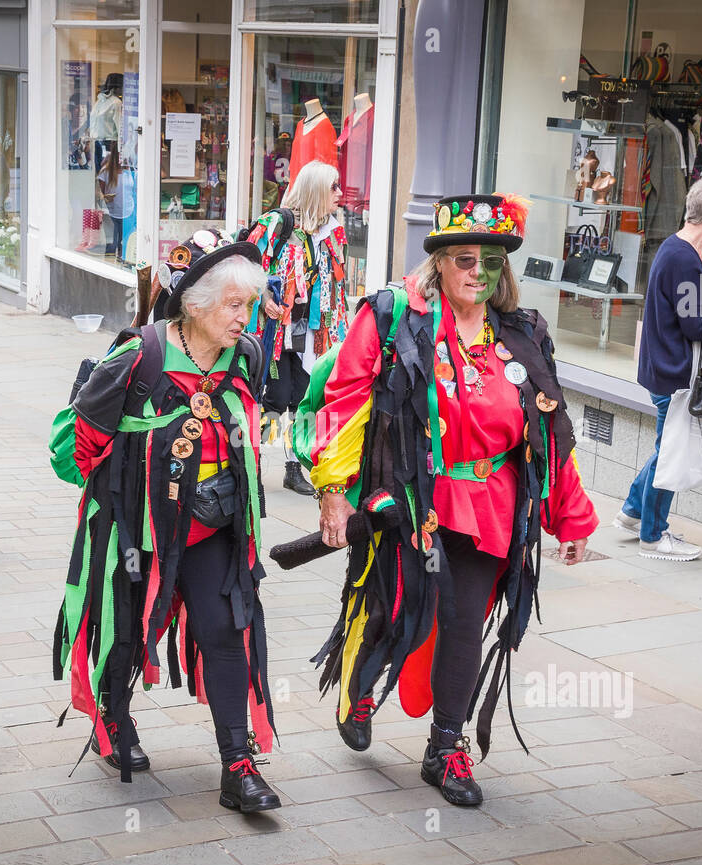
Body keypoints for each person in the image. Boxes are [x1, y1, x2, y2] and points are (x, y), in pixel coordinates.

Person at [306, 194, 599, 806]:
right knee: (398, 606)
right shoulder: (395, 319)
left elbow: (550, 434)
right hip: (409, 496)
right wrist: (333, 490)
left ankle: (445, 748)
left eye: (491, 261)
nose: (478, 272)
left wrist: (571, 520)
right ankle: (359, 687)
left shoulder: (523, 336)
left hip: (490, 502)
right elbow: (345, 399)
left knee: (465, 621)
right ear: (437, 262)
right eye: (464, 258)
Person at [50, 229, 281, 812]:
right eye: (235, 305)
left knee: (227, 628)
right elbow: (76, 443)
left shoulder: (247, 356)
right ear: (195, 305)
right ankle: (114, 721)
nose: (245, 317)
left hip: (213, 526)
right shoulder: (139, 354)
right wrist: (119, 496)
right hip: (137, 526)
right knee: (128, 629)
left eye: (250, 305)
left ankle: (238, 764)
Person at [615, 175, 702, 561]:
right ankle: (654, 536)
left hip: (665, 368)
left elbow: (683, 303)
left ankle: (633, 512)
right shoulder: (685, 257)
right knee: (672, 453)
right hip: (677, 373)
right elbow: (694, 323)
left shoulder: (676, 250)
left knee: (665, 448)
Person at [247, 160, 349, 496]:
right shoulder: (278, 223)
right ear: (316, 189)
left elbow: (334, 286)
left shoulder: (331, 230)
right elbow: (247, 262)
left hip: (310, 334)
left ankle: (293, 468)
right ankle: (252, 465)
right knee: (274, 399)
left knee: (302, 398)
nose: (340, 193)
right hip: (277, 331)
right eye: (333, 187)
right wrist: (263, 297)